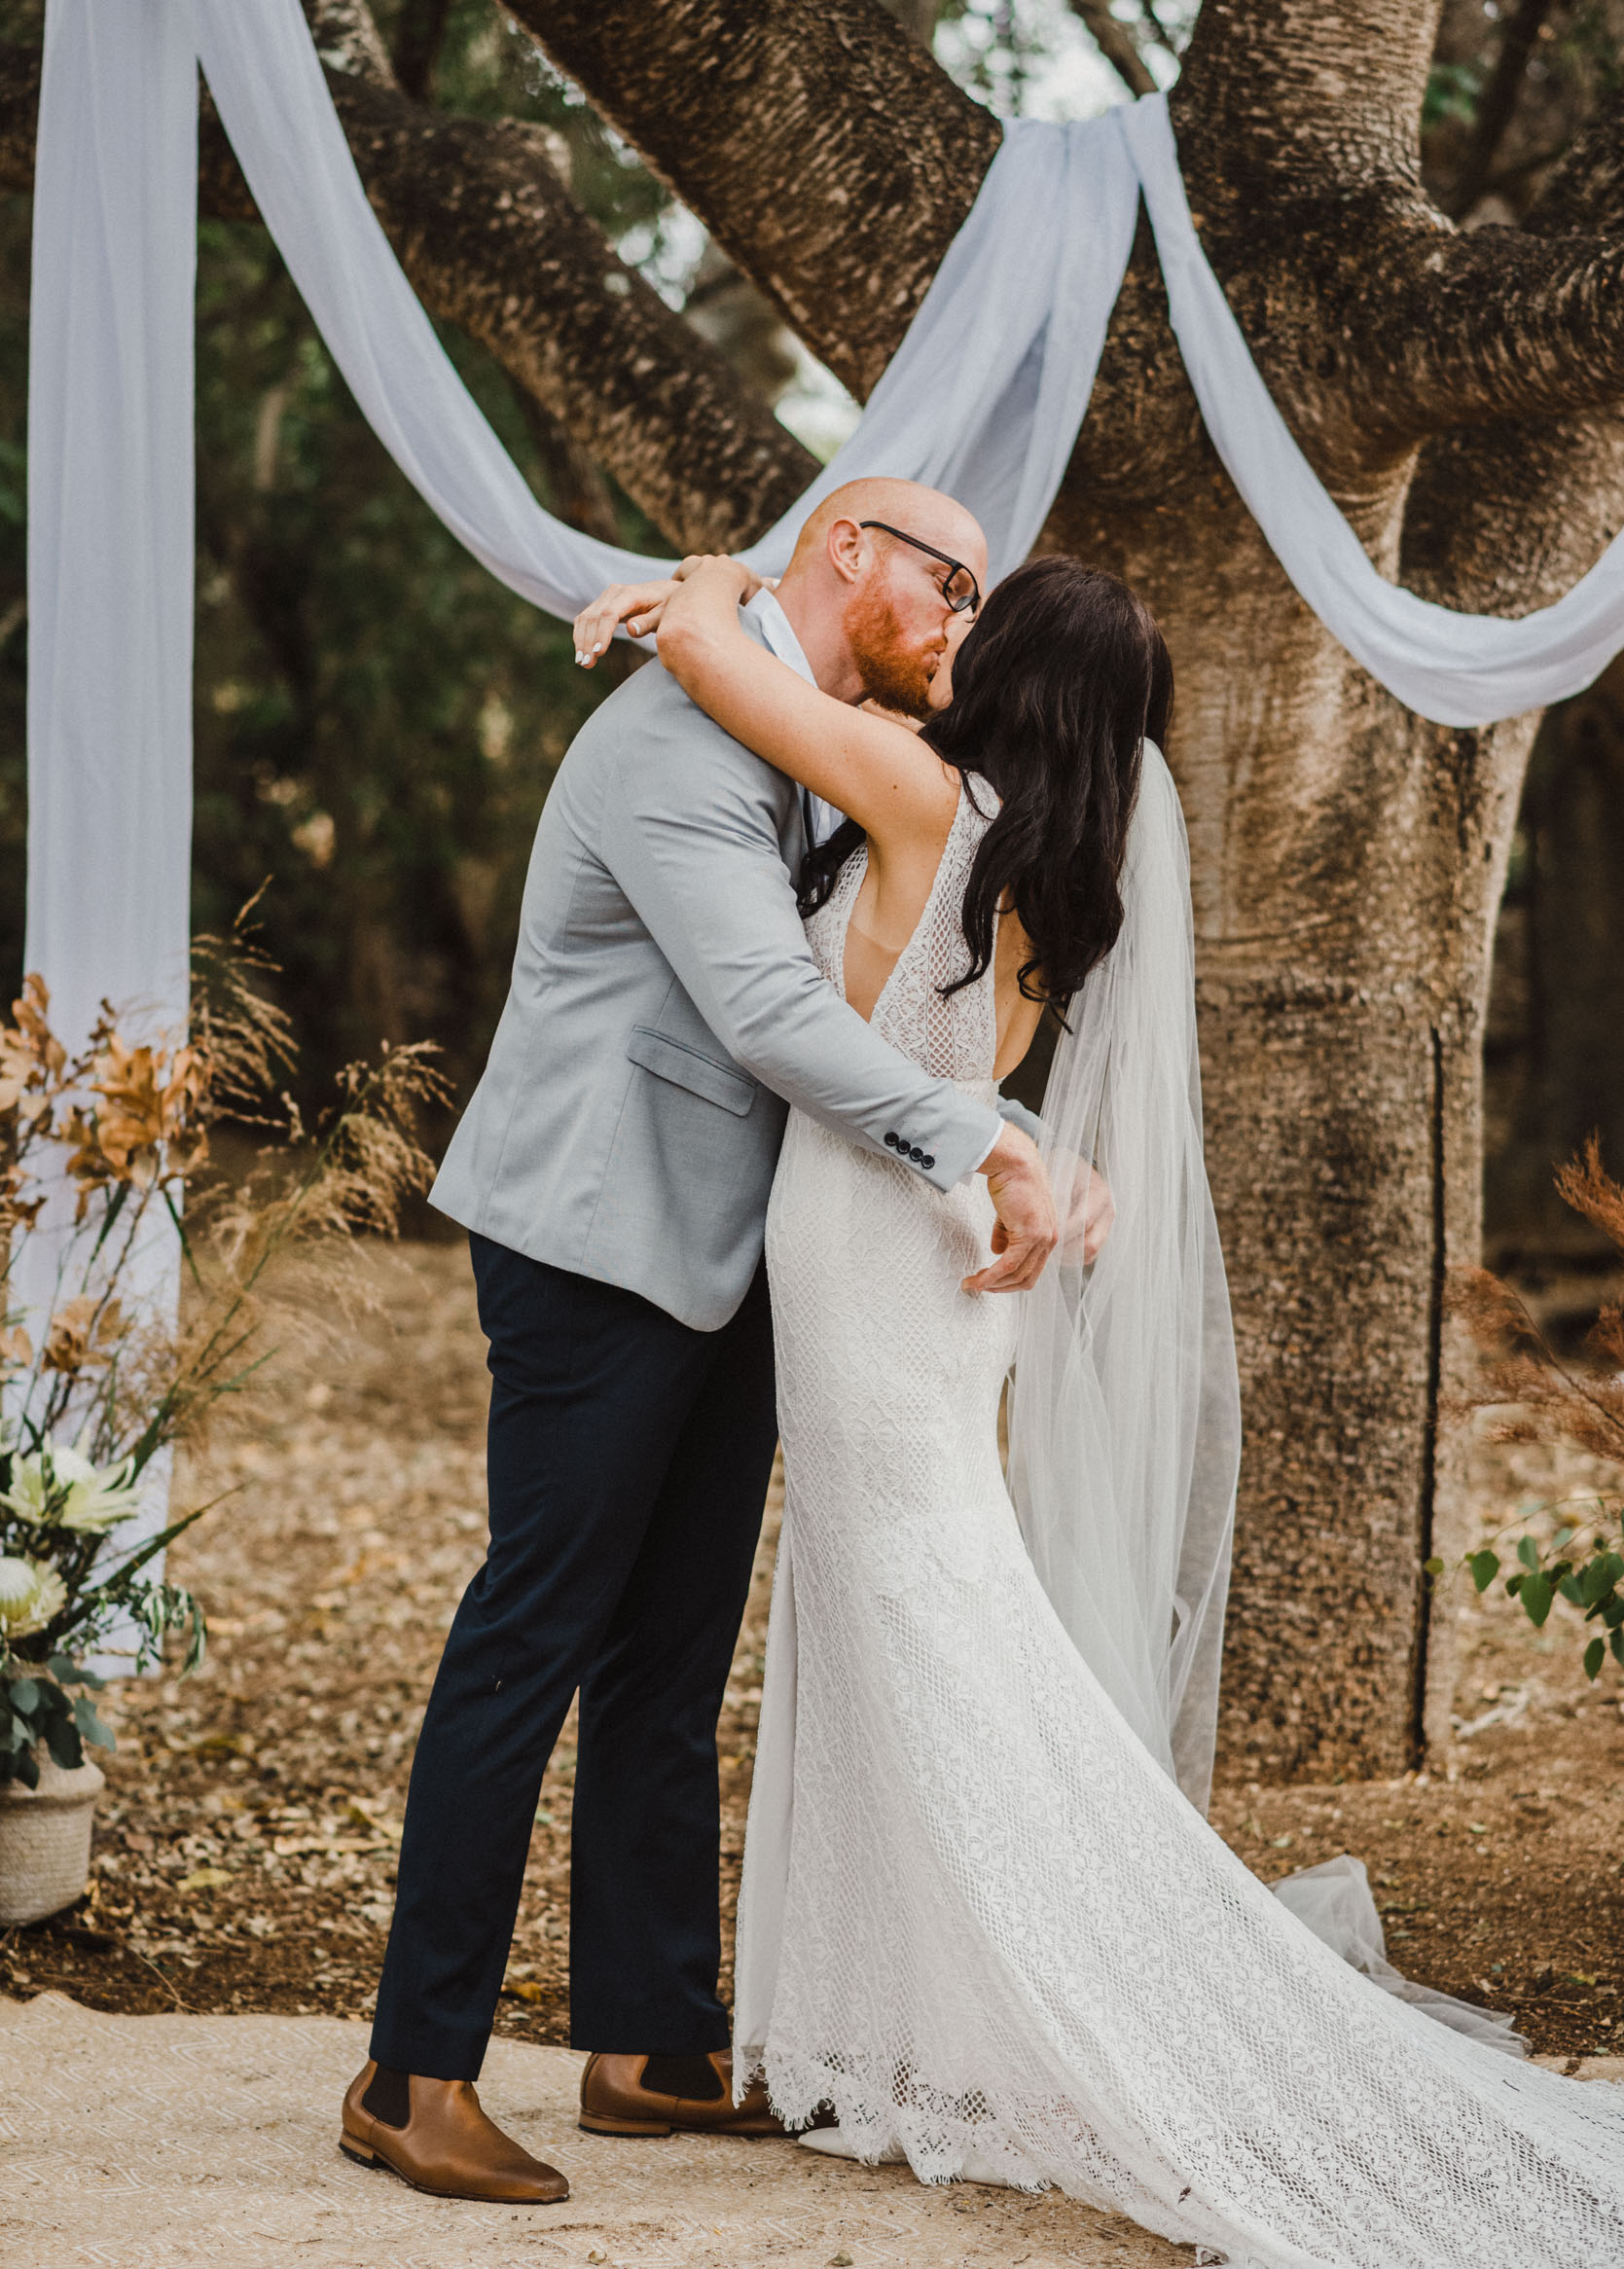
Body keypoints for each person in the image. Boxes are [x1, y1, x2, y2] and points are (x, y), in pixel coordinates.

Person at [612, 546, 1624, 2269]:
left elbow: (718, 659)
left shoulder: (922, 792)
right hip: (933, 1247)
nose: (946, 637)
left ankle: (1046, 1984)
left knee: (910, 1610)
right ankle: (900, 2017)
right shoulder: (1059, 867)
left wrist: (682, 586)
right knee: (901, 1597)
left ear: (1011, 673)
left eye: (972, 624)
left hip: (867, 1243)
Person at [338, 480, 1068, 2203]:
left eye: (980, 587)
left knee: (667, 1663)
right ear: (847, 554)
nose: (962, 611)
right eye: (942, 576)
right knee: (529, 1637)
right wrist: (983, 1135)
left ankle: (648, 2040)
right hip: (596, 1240)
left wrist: (712, 585)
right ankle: (409, 2068)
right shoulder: (678, 746)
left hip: (733, 1259)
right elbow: (763, 1009)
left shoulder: (803, 723)